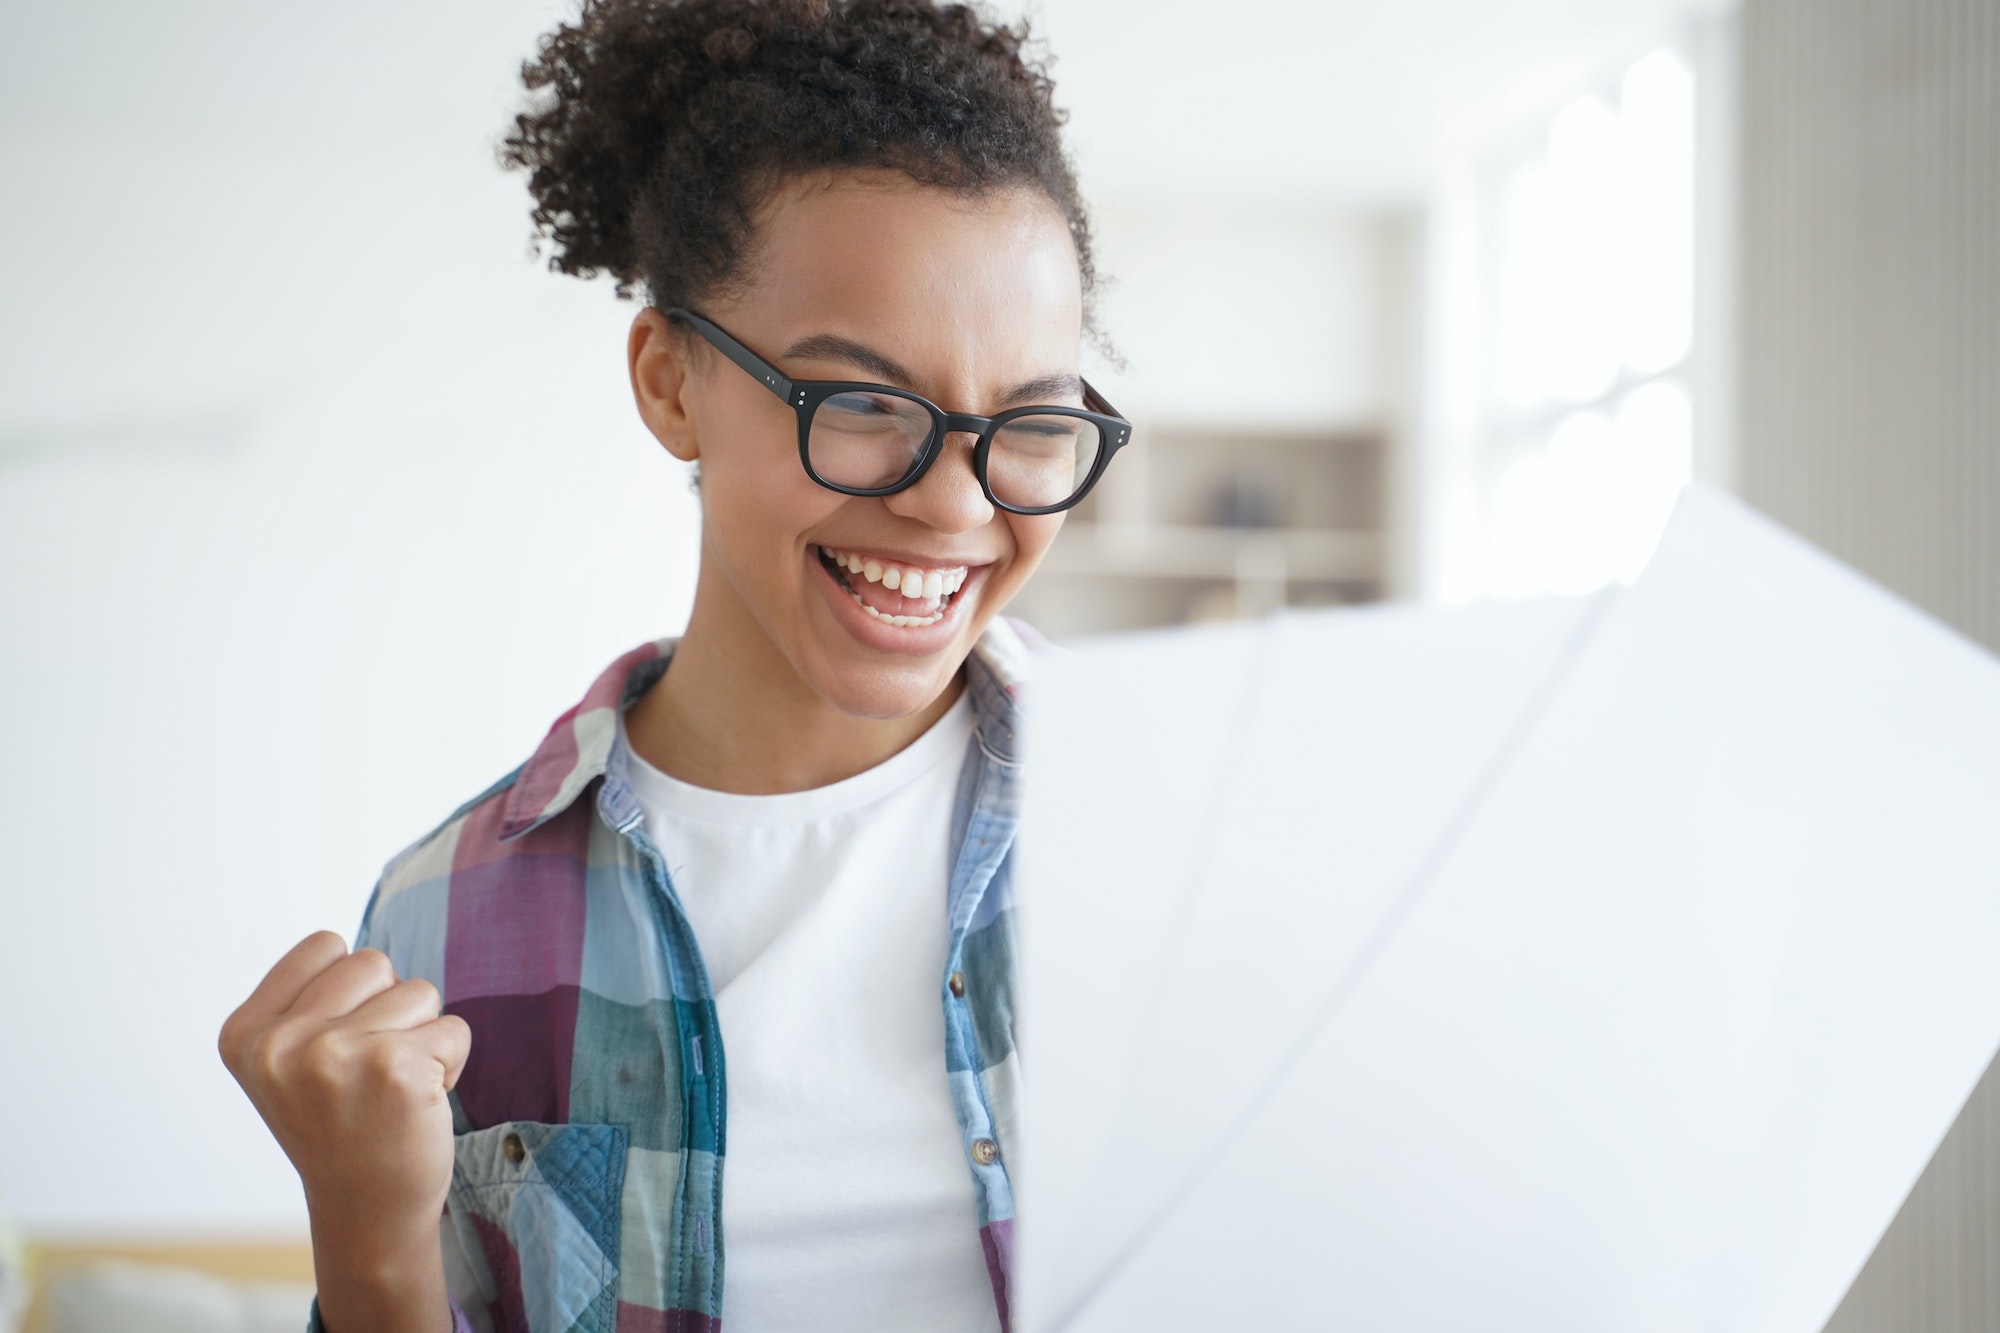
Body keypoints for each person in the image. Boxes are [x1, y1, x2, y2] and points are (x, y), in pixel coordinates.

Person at [216, 1, 1127, 1330]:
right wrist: (369, 1250)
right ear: (670, 380)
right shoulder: (441, 925)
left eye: (1030, 421)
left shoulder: (1180, 820)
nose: (952, 506)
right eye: (865, 403)